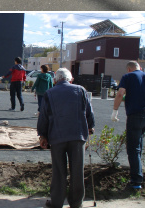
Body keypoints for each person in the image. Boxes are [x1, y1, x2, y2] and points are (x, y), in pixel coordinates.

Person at [37, 68, 94, 208]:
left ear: (55, 80)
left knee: (58, 171)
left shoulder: (49, 93)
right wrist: (90, 128)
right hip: (78, 136)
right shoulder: (80, 90)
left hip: (57, 136)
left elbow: (43, 116)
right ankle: (76, 203)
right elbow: (89, 112)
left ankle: (56, 202)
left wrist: (42, 135)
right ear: (71, 79)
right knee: (77, 170)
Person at [111, 61, 145, 189]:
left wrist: (114, 111)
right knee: (138, 144)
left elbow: (120, 93)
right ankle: (138, 171)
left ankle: (136, 181)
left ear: (129, 69)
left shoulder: (127, 77)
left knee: (133, 148)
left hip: (135, 115)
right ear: (139, 67)